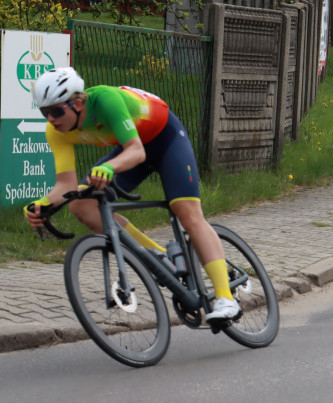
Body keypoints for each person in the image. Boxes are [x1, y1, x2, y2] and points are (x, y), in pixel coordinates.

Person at [23, 67, 242, 323]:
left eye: (57, 111)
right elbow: (66, 185)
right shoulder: (56, 132)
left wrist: (108, 167)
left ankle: (226, 299)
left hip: (165, 139)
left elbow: (136, 151)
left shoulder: (106, 100)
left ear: (79, 103)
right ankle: (157, 255)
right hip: (132, 147)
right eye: (44, 112)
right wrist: (41, 204)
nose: (51, 119)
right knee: (81, 206)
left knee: (187, 213)